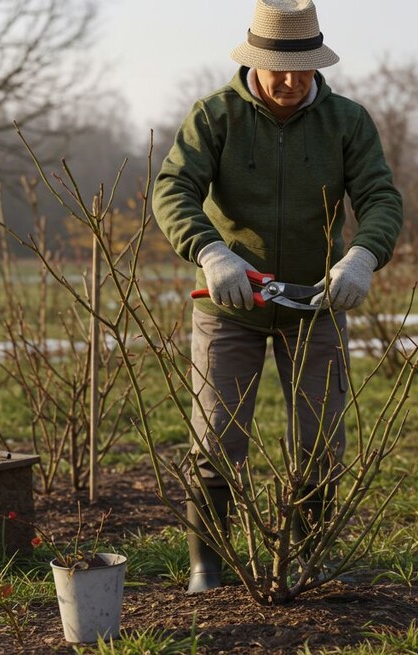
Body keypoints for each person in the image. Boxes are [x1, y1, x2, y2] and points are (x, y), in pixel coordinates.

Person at [153, 0, 403, 593]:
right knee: (217, 436)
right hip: (232, 305)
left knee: (319, 438)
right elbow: (173, 189)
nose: (291, 83)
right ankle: (206, 569)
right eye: (278, 71)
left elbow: (381, 199)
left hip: (318, 302)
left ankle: (309, 558)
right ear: (253, 61)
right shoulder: (214, 116)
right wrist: (211, 253)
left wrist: (362, 256)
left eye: (304, 70)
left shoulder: (347, 120)